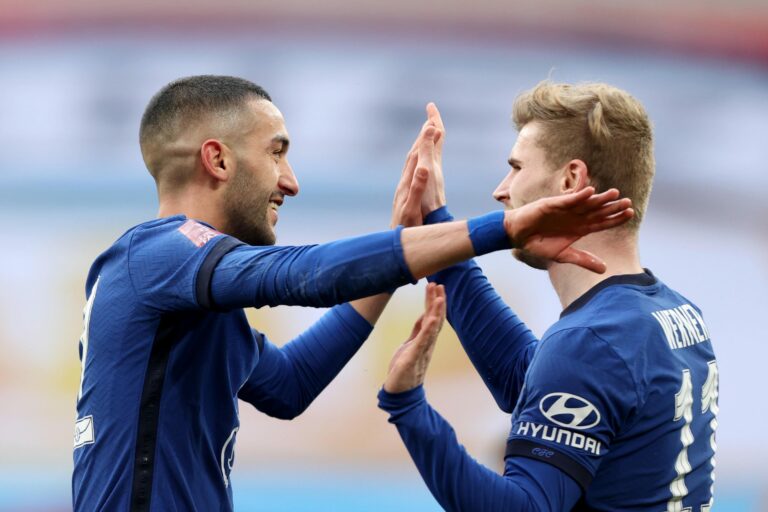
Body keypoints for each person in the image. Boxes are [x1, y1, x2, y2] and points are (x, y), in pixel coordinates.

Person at [72, 75, 633, 511]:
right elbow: (303, 275)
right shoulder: (159, 254)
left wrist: (398, 248)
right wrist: (503, 229)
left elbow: (287, 387)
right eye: (276, 152)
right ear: (217, 159)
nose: (290, 180)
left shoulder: (181, 289)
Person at [379, 83, 718, 511]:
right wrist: (437, 230)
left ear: (570, 180)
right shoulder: (676, 314)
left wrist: (409, 406)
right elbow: (531, 380)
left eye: (516, 167)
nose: (501, 191)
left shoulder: (592, 342)